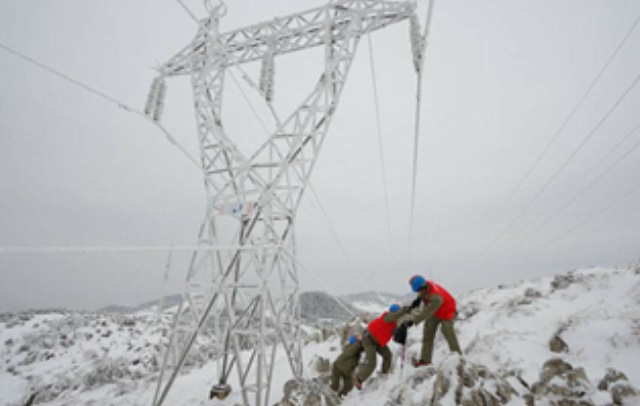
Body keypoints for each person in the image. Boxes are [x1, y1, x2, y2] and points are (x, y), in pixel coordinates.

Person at [397, 275, 461, 367]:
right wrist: (417, 300)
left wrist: (413, 321)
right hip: (436, 313)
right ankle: (425, 360)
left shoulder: (436, 298)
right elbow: (424, 294)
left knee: (446, 329)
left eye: (419, 290)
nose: (418, 292)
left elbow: (426, 312)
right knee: (428, 334)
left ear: (422, 287)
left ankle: (457, 356)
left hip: (448, 311)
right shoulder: (426, 285)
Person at [354, 304, 410, 389]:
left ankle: (384, 374)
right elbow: (394, 316)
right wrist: (403, 311)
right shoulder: (387, 317)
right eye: (396, 313)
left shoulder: (393, 323)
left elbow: (395, 336)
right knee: (372, 362)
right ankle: (359, 379)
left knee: (387, 355)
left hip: (378, 341)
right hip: (368, 340)